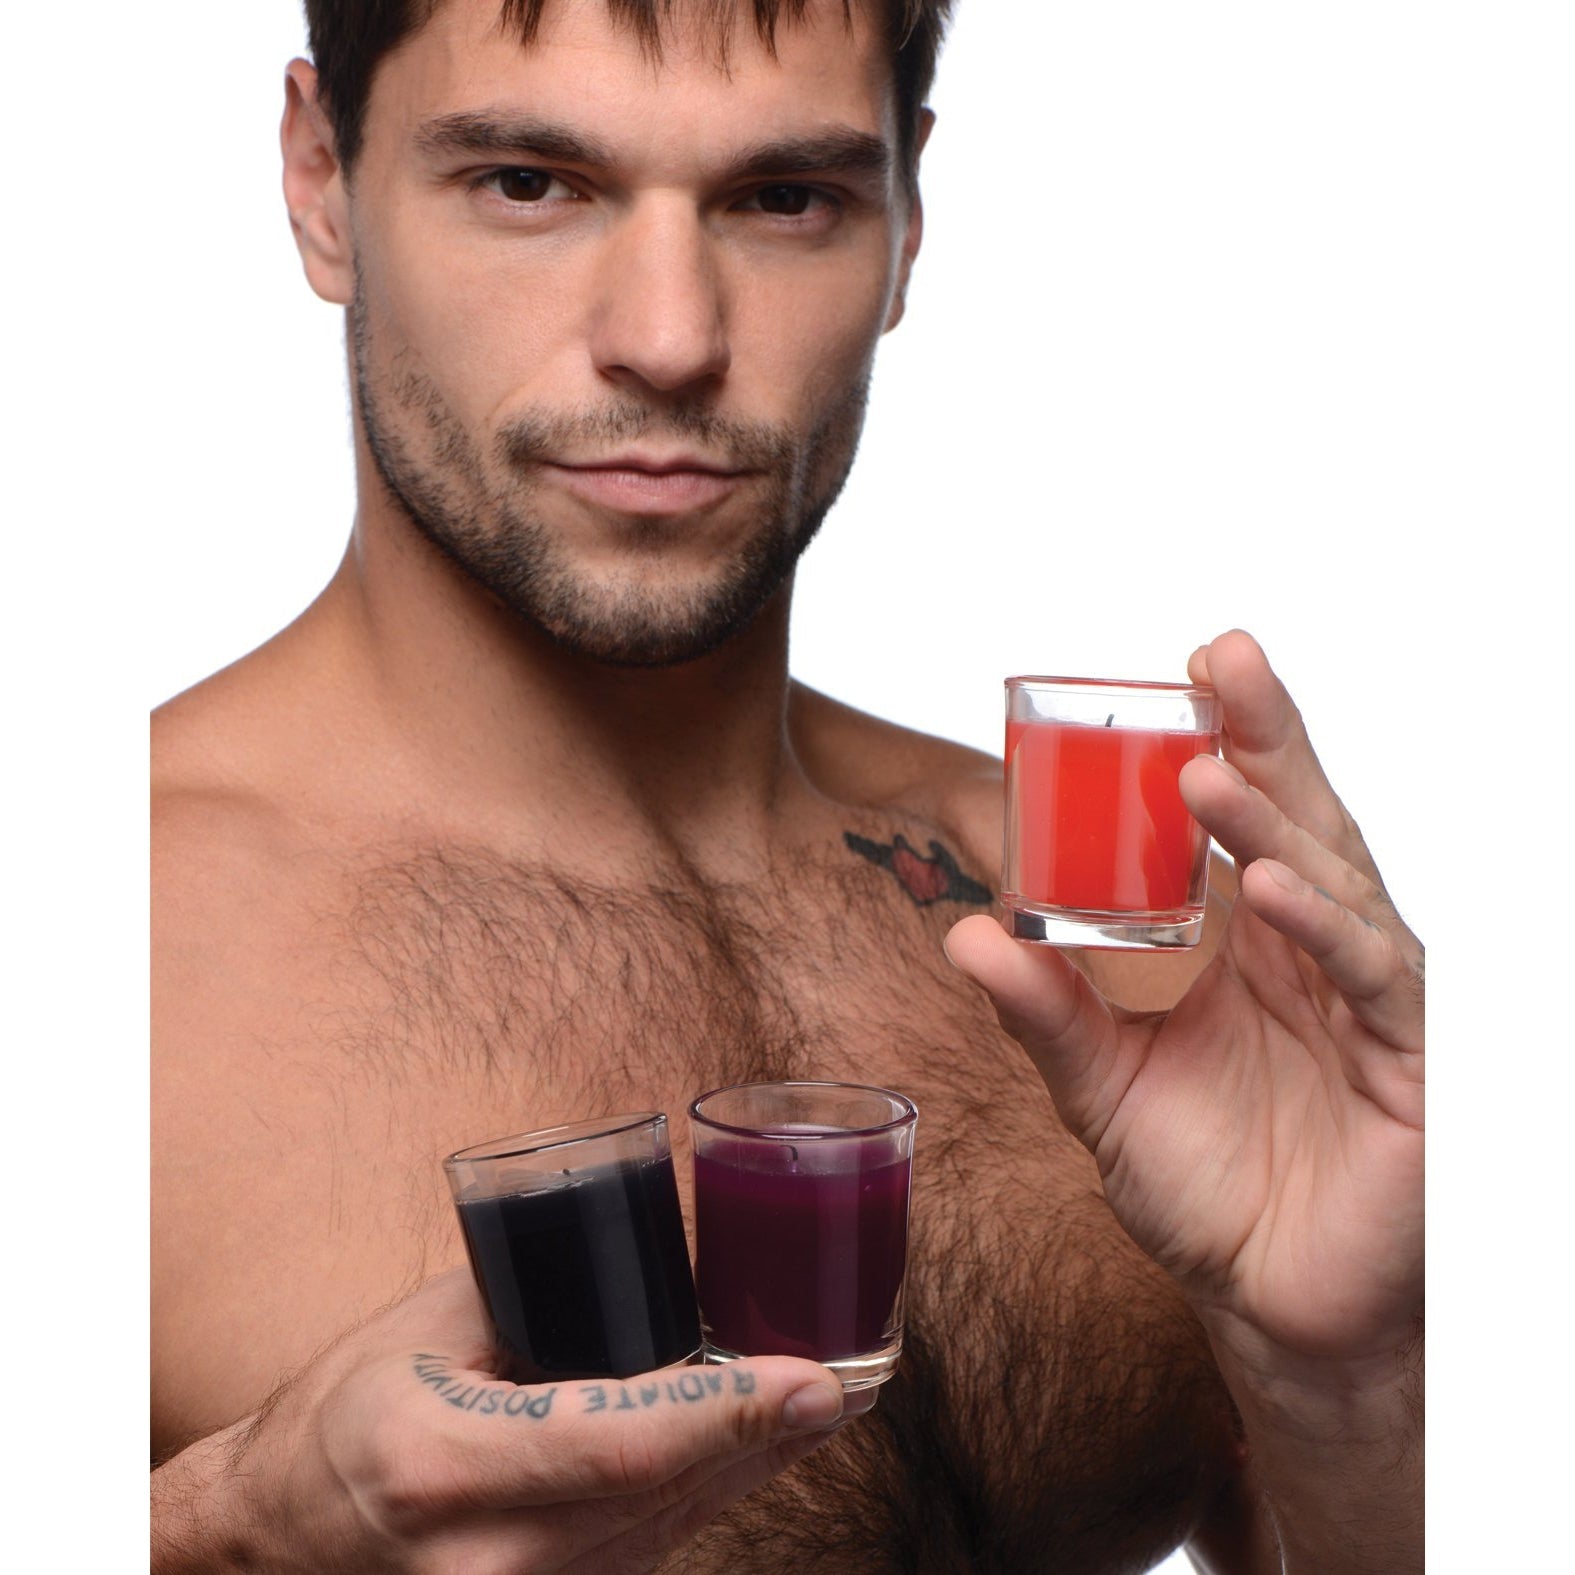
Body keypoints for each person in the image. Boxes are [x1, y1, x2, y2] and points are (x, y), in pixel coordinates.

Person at [150, 1, 1424, 1569]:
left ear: (902, 230)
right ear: (321, 180)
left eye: (784, 198)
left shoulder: (1122, 944)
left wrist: (1358, 1383)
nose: (672, 337)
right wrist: (225, 1530)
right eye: (530, 183)